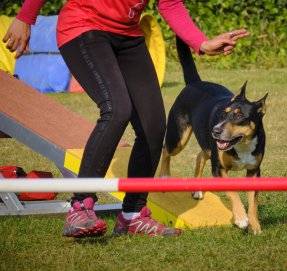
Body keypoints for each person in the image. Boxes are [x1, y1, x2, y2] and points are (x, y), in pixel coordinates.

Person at [3, 0, 250, 238]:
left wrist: (202, 43)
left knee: (153, 126)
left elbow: (170, 3)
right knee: (116, 109)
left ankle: (133, 214)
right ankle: (80, 207)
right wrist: (26, 16)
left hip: (128, 36)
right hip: (85, 26)